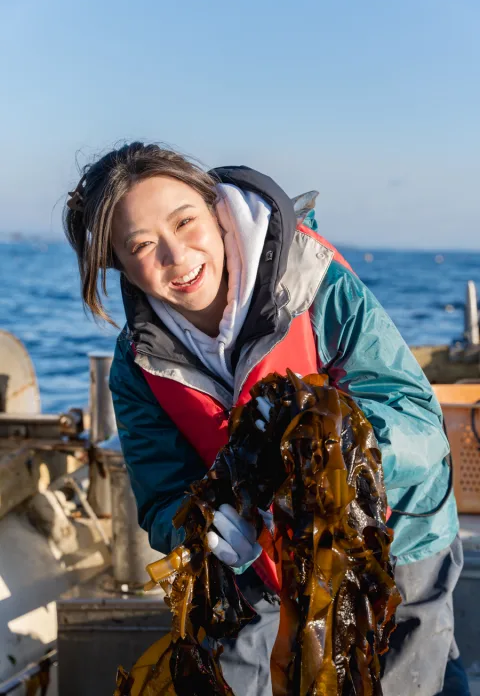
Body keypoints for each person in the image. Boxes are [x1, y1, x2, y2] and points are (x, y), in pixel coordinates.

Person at [64, 142, 468, 696]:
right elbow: (162, 498)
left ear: (215, 210)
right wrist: (202, 532)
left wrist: (337, 455)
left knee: (410, 677)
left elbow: (417, 420)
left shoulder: (314, 282)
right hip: (252, 565)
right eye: (142, 245)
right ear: (118, 263)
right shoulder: (138, 366)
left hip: (395, 536)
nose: (177, 256)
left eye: (185, 221)